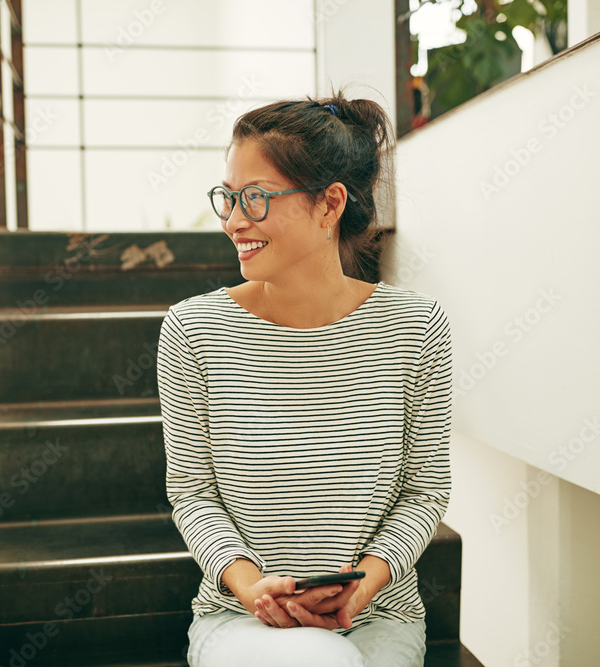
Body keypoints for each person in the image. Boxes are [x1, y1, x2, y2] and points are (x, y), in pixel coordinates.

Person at [156, 91, 453, 667]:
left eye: (257, 198)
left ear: (329, 204)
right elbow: (192, 494)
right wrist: (250, 589)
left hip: (378, 619)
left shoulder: (417, 328)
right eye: (228, 198)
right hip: (240, 621)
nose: (234, 221)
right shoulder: (193, 330)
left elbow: (424, 492)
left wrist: (362, 586)